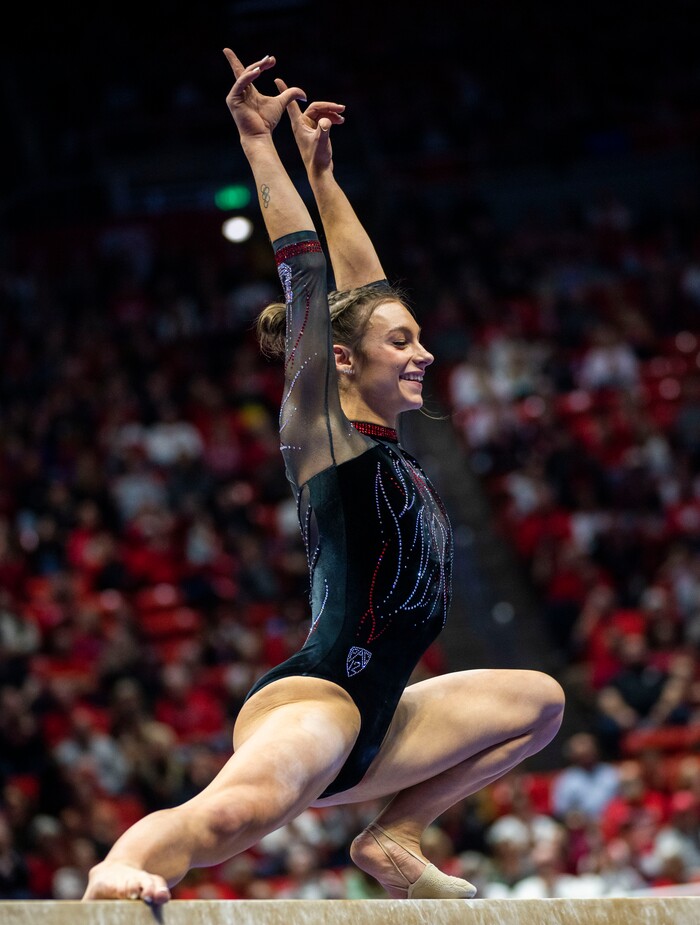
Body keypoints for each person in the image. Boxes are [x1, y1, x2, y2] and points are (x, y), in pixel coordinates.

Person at [82, 49, 565, 904]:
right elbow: (310, 277)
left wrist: (323, 170)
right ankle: (123, 863)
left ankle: (396, 835)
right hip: (323, 696)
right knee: (232, 814)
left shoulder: (382, 437)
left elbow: (365, 280)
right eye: (401, 341)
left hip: (386, 712)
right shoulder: (324, 434)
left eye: (418, 337)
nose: (422, 354)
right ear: (341, 358)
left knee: (538, 700)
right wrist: (260, 146)